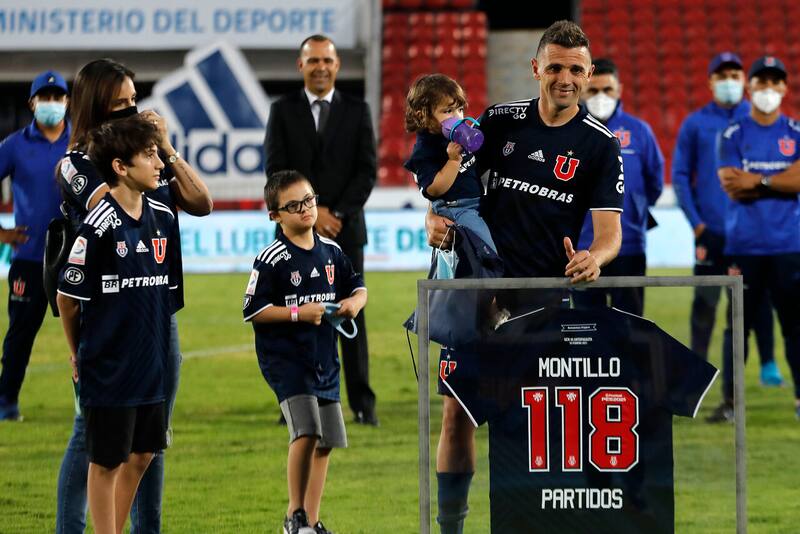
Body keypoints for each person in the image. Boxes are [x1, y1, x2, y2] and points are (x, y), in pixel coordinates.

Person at [425, 20, 623, 533]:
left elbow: (609, 234)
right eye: (555, 66)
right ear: (536, 68)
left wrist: (595, 258)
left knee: (533, 424)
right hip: (475, 287)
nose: (565, 78)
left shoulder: (600, 145)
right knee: (457, 415)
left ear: (588, 74)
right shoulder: (500, 120)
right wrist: (434, 217)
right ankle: (451, 529)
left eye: (576, 70)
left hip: (542, 296)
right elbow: (455, 186)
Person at [54, 59, 212, 534]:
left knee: (150, 437)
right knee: (95, 439)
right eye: (118, 103)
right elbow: (114, 213)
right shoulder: (81, 163)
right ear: (94, 105)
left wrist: (163, 147)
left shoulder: (148, 155)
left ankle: (143, 528)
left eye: (133, 101)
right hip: (110, 315)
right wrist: (76, 347)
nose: (129, 111)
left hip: (157, 307)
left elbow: (201, 203)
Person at [56, 115, 177, 534]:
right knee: (106, 461)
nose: (160, 163)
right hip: (108, 364)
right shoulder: (97, 226)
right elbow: (67, 299)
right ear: (121, 167)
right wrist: (78, 353)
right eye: (149, 155)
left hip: (151, 361)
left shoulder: (164, 216)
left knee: (143, 454)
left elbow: (167, 295)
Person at [243, 170, 367, 534]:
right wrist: (299, 312)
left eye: (309, 200)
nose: (305, 209)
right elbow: (253, 310)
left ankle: (310, 521)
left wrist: (354, 303)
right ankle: (293, 515)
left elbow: (358, 286)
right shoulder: (271, 259)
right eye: (293, 205)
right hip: (286, 360)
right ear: (275, 215)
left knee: (327, 441)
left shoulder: (332, 252)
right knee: (307, 431)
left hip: (324, 358)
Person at [264, 34, 378, 426]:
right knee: (297, 319)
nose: (320, 67)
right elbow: (276, 169)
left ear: (337, 65)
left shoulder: (358, 110)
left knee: (351, 316)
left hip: (345, 231)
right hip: (295, 235)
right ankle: (296, 403)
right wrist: (311, 212)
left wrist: (336, 213)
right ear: (301, 66)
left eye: (327, 60)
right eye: (312, 61)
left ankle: (363, 403)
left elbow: (367, 171)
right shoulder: (281, 110)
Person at [672, 52, 782, 386]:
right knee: (704, 304)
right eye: (722, 75)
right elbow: (679, 176)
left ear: (744, 81)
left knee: (755, 301)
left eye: (735, 74)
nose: (729, 81)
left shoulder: (758, 120)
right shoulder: (695, 123)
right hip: (711, 231)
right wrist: (697, 225)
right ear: (710, 82)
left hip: (749, 233)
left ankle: (768, 365)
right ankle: (696, 372)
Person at [709, 56, 800, 422]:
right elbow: (733, 186)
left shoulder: (795, 131)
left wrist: (759, 181)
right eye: (760, 82)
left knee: (795, 327)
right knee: (738, 329)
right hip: (743, 247)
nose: (767, 89)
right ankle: (731, 404)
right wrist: (783, 180)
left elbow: (757, 183)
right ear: (751, 88)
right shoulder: (733, 133)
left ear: (784, 89)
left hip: (790, 248)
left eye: (774, 82)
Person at [0, 71, 70, 421]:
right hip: (29, 258)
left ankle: (89, 405)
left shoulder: (83, 142)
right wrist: (2, 233)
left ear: (68, 102)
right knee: (19, 336)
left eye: (59, 97)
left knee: (90, 336)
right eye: (47, 97)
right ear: (32, 103)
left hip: (77, 258)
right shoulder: (14, 145)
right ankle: (6, 403)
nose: (53, 104)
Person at [575, 57, 664, 315]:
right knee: (585, 328)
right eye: (593, 90)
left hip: (630, 245)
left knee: (632, 326)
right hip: (583, 248)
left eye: (607, 90)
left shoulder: (640, 132)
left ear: (619, 91)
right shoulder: (570, 130)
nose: (600, 96)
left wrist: (634, 209)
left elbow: (654, 183)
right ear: (583, 90)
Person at [404, 74, 496, 266]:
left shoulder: (458, 137)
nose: (457, 117)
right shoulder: (425, 149)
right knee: (485, 248)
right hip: (456, 208)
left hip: (477, 202)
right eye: (447, 111)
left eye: (460, 109)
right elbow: (433, 189)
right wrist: (453, 161)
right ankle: (490, 285)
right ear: (422, 114)